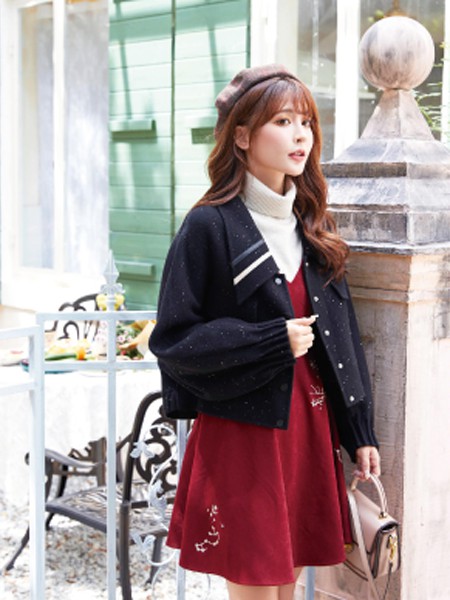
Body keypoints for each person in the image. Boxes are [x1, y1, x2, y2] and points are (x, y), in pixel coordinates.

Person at [149, 64, 381, 600]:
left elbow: (342, 338)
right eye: (282, 121)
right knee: (255, 585)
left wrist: (359, 431)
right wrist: (270, 341)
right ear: (242, 136)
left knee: (287, 585)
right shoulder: (209, 225)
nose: (301, 135)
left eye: (306, 122)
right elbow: (173, 341)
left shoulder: (313, 225)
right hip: (243, 436)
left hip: (308, 430)